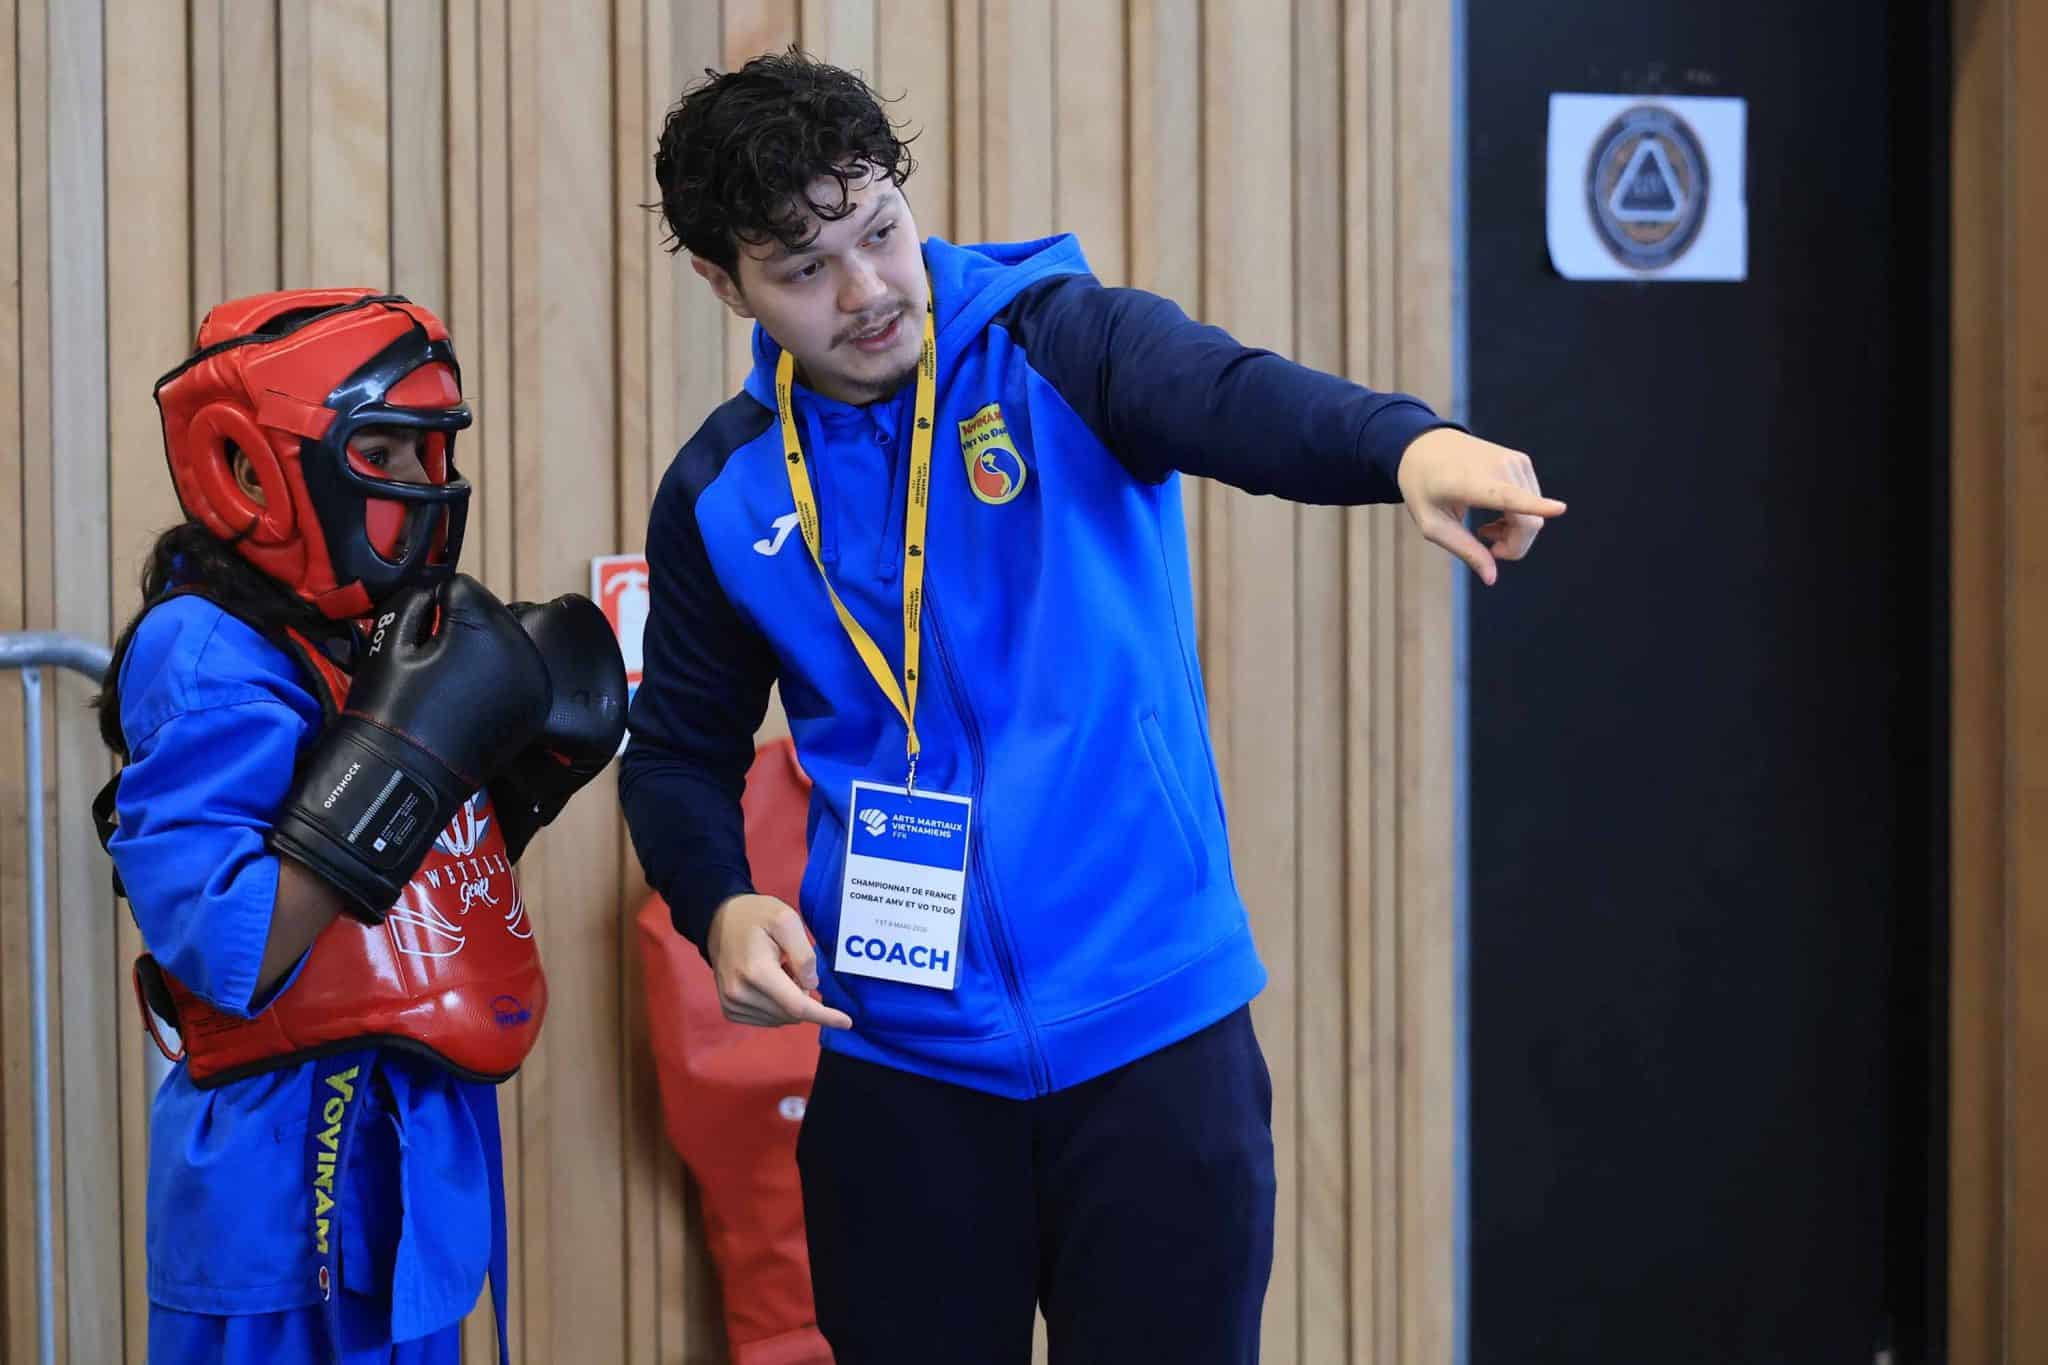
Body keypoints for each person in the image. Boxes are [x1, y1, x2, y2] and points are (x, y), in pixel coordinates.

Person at [620, 50, 1562, 1364]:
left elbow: (1230, 393)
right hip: (901, 1071)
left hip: (1155, 1039)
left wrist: (1405, 445)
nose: (869, 290)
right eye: (804, 270)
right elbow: (675, 752)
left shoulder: (1057, 345)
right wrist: (719, 899)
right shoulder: (722, 494)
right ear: (726, 285)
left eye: (879, 230)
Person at [95, 288, 625, 1363]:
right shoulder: (203, 649)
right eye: (382, 452)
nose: (422, 486)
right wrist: (407, 759)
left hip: (408, 1158)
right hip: (279, 1178)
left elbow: (393, 921)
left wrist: (509, 789)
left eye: (431, 452)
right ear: (250, 471)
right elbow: (234, 943)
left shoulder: (371, 638)